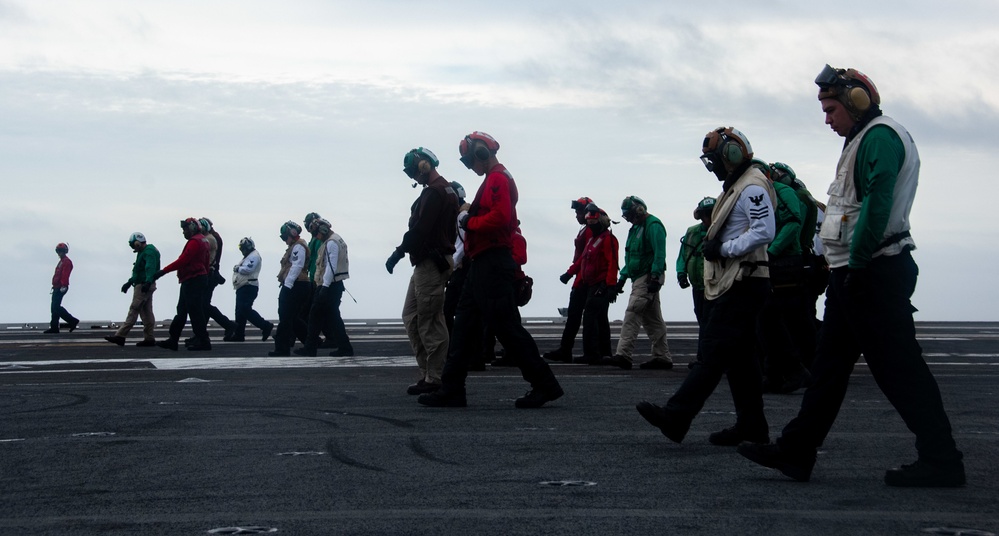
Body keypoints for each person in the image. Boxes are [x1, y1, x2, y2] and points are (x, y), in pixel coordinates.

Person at [738, 65, 965, 487]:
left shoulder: (879, 137)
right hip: (856, 273)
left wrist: (857, 266)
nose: (827, 118)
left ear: (856, 101)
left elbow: (876, 208)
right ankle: (797, 450)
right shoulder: (862, 139)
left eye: (831, 108)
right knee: (829, 365)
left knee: (899, 370)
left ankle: (942, 459)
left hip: (872, 271)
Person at [636, 126, 775, 447]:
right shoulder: (740, 185)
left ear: (732, 154)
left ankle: (677, 416)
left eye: (715, 160)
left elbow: (764, 230)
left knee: (712, 351)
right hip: (740, 281)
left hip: (744, 281)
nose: (714, 167)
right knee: (741, 360)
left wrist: (724, 249)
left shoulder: (751, 187)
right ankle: (752, 427)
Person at [418, 131, 563, 409]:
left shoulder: (497, 178)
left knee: (506, 328)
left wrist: (467, 222)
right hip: (483, 263)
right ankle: (452, 388)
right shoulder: (495, 178)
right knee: (463, 326)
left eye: (470, 160)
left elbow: (500, 218)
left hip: (492, 262)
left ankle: (544, 384)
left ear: (480, 153)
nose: (471, 166)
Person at [387, 147, 460, 395]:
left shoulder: (435, 193)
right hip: (426, 263)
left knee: (430, 320)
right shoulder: (442, 190)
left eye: (412, 171)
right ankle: (428, 373)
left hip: (430, 263)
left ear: (423, 165)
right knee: (412, 316)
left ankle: (435, 378)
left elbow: (420, 231)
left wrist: (398, 253)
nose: (413, 178)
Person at [749, 160, 809, 394]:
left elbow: (793, 222)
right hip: (770, 261)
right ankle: (776, 372)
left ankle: (794, 370)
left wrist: (770, 252)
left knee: (784, 319)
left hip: (783, 262)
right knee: (767, 319)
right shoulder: (761, 193)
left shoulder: (782, 193)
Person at [605, 196, 672, 370]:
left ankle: (623, 355)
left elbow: (659, 254)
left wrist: (655, 276)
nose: (627, 218)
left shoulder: (653, 225)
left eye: (628, 214)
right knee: (653, 320)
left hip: (647, 277)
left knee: (632, 312)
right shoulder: (636, 228)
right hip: (639, 278)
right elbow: (631, 257)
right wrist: (622, 279)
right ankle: (662, 356)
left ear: (638, 210)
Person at [562, 204, 618, 365]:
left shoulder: (608, 239)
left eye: (593, 223)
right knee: (597, 318)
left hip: (600, 284)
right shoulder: (593, 239)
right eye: (589, 224)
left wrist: (610, 286)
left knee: (591, 317)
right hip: (591, 284)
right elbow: (582, 260)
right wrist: (569, 273)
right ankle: (601, 352)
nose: (591, 226)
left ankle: (593, 353)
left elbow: (612, 263)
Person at [544, 197, 595, 364]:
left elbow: (584, 256)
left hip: (583, 279)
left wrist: (570, 273)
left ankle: (570, 350)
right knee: (582, 316)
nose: (576, 215)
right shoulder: (585, 230)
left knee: (578, 316)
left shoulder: (588, 231)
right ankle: (570, 349)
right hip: (581, 276)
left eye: (578, 212)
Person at [154, 218, 212, 351]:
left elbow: (183, 260)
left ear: (191, 228)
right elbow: (206, 261)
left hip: (193, 279)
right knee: (186, 310)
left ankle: (202, 340)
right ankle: (175, 339)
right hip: (198, 278)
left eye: (185, 229)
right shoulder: (203, 240)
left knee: (192, 311)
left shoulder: (195, 242)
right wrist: (206, 276)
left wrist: (163, 271)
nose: (183, 232)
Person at [676, 197, 715, 368]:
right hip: (698, 285)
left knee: (711, 322)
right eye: (705, 215)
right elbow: (683, 254)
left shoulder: (722, 230)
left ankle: (707, 358)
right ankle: (704, 357)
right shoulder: (691, 232)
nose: (708, 219)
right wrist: (681, 274)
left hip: (715, 286)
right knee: (703, 321)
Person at [105, 232, 160, 346]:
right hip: (144, 283)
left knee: (134, 309)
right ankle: (149, 338)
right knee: (146, 312)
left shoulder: (148, 251)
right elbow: (139, 271)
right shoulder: (143, 252)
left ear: (137, 242)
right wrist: (129, 282)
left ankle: (120, 335)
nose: (132, 247)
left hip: (144, 285)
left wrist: (148, 281)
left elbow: (150, 267)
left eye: (132, 245)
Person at [270, 221, 311, 357]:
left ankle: (282, 348)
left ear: (292, 234)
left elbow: (297, 266)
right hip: (297, 284)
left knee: (285, 316)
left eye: (284, 237)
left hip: (296, 284)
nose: (284, 240)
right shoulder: (295, 246)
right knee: (292, 318)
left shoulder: (298, 247)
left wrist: (287, 285)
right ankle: (311, 342)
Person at [199, 218, 237, 343]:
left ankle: (228, 325)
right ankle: (201, 333)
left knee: (204, 304)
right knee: (204, 305)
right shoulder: (215, 237)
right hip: (212, 273)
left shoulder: (211, 239)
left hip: (210, 274)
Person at [231, 237, 273, 342]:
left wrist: (237, 268)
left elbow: (248, 269)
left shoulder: (253, 256)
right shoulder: (248, 256)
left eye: (243, 248)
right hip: (243, 286)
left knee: (245, 309)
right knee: (239, 311)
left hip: (249, 285)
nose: (242, 250)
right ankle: (239, 334)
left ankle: (265, 325)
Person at [45, 242, 80, 333]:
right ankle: (54, 327)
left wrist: (63, 285)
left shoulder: (66, 262)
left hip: (61, 287)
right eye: (58, 251)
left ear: (65, 251)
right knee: (54, 308)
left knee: (56, 307)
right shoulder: (62, 261)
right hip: (57, 287)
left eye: (61, 251)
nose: (59, 253)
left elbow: (65, 275)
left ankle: (72, 321)